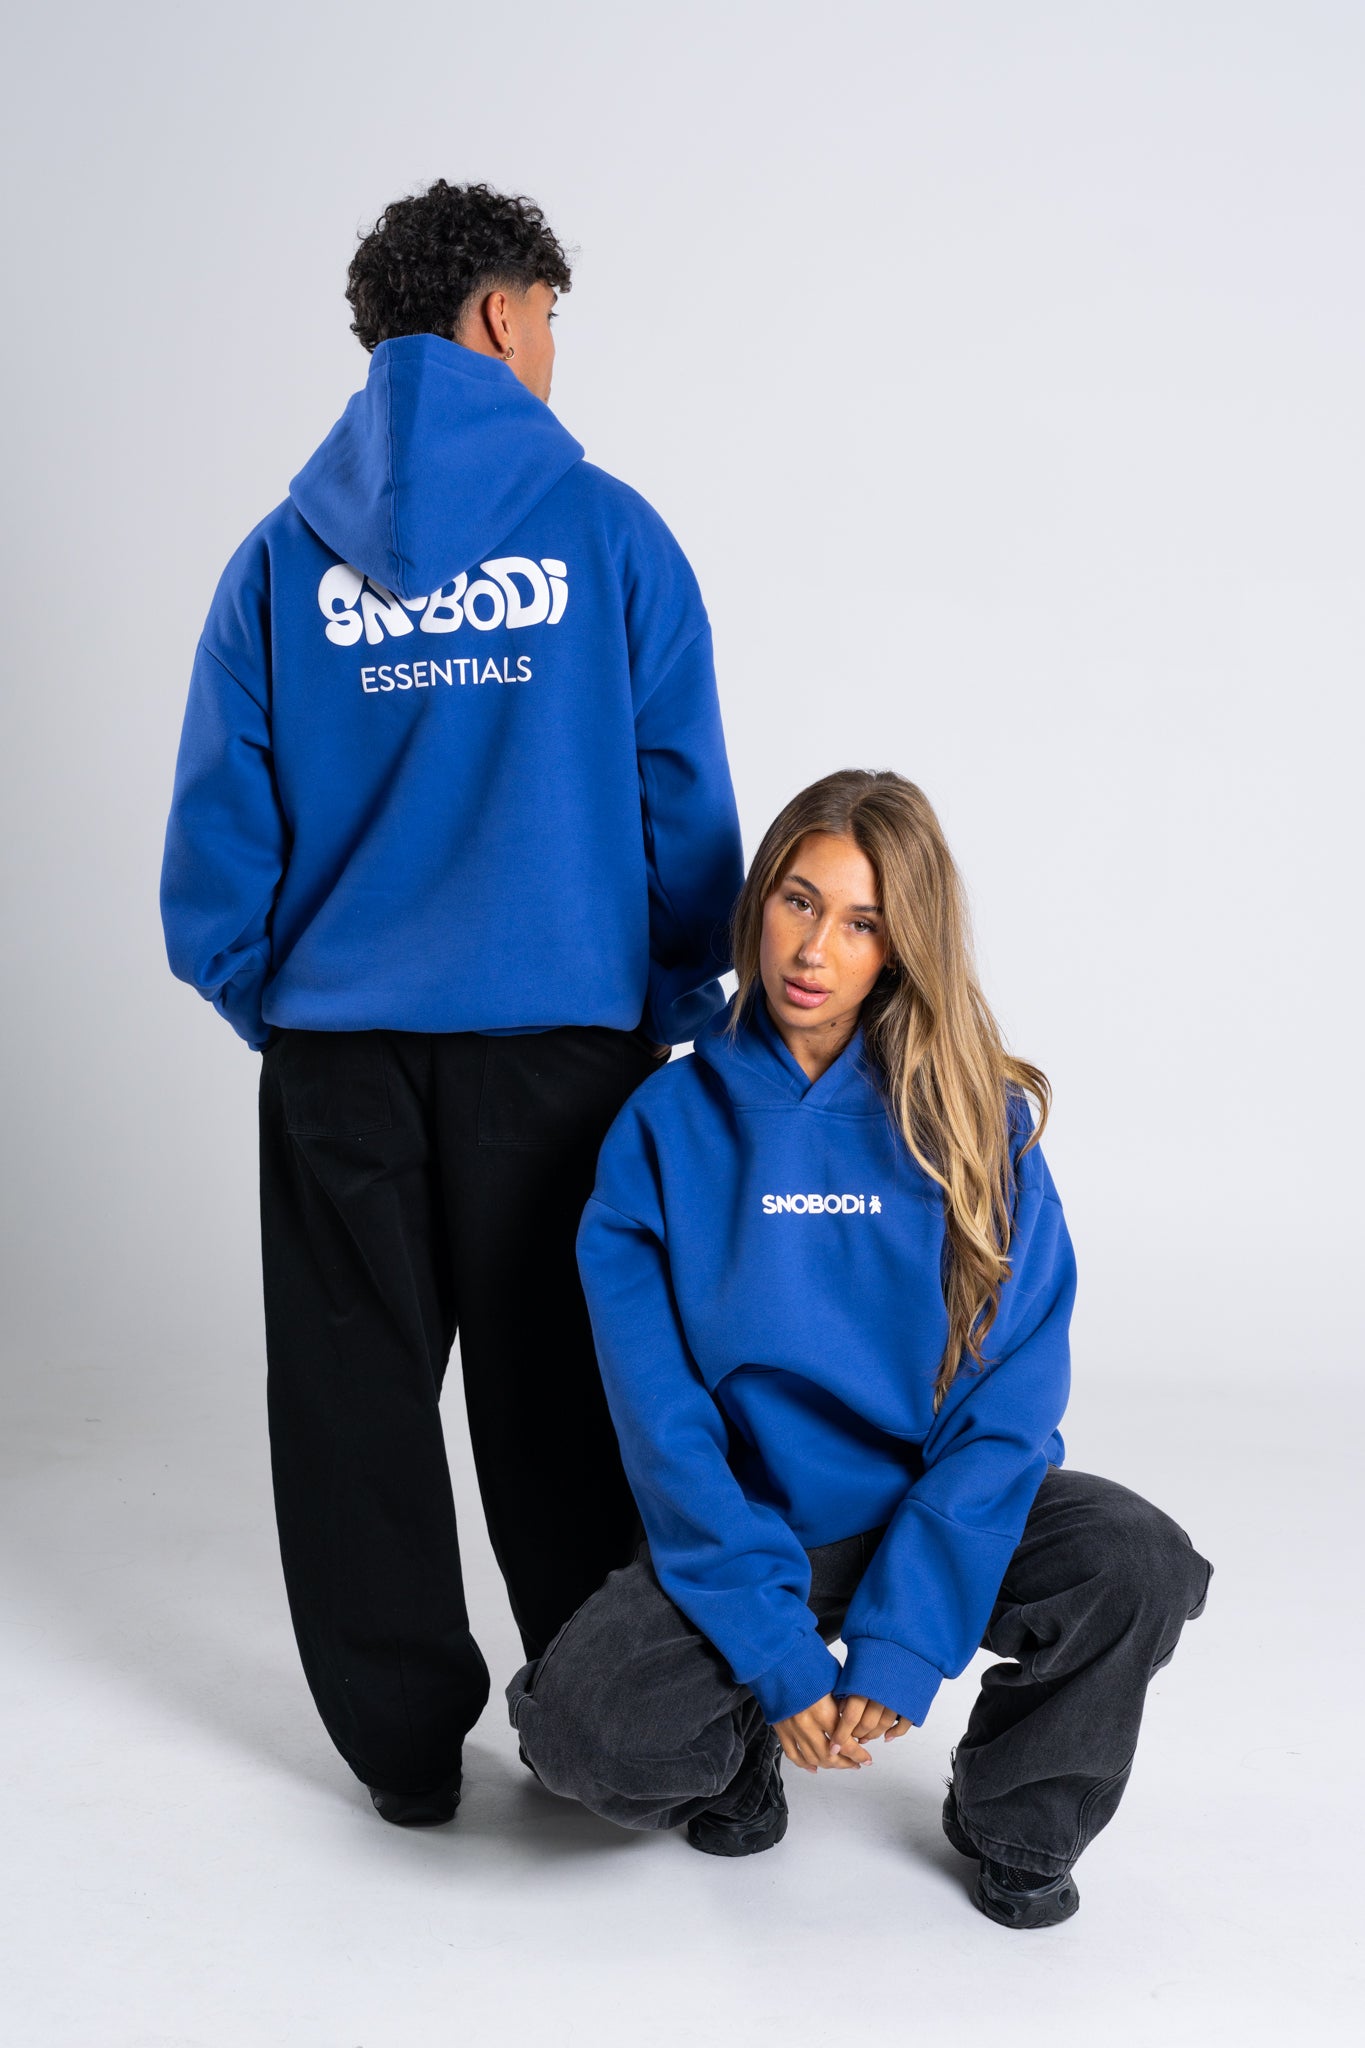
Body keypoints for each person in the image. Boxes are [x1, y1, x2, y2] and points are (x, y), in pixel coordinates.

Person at [160, 180, 743, 1827]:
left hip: (340, 1060)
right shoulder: (609, 535)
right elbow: (682, 797)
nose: (553, 350)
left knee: (350, 1406)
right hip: (562, 1051)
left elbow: (218, 841)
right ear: (499, 312)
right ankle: (609, 1719)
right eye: (549, 316)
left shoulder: (279, 562)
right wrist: (667, 991)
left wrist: (291, 1005)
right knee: (567, 1397)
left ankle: (406, 1757)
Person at [509, 769, 1211, 1928]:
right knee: (579, 1737)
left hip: (943, 1507)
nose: (813, 949)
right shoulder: (664, 1131)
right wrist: (778, 1655)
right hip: (758, 1525)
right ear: (758, 904)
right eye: (798, 900)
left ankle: (1015, 1819)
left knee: (1135, 1559)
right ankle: (738, 1756)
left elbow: (1008, 1408)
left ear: (900, 946)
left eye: (861, 922)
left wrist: (903, 1637)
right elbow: (666, 1430)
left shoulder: (976, 1125)